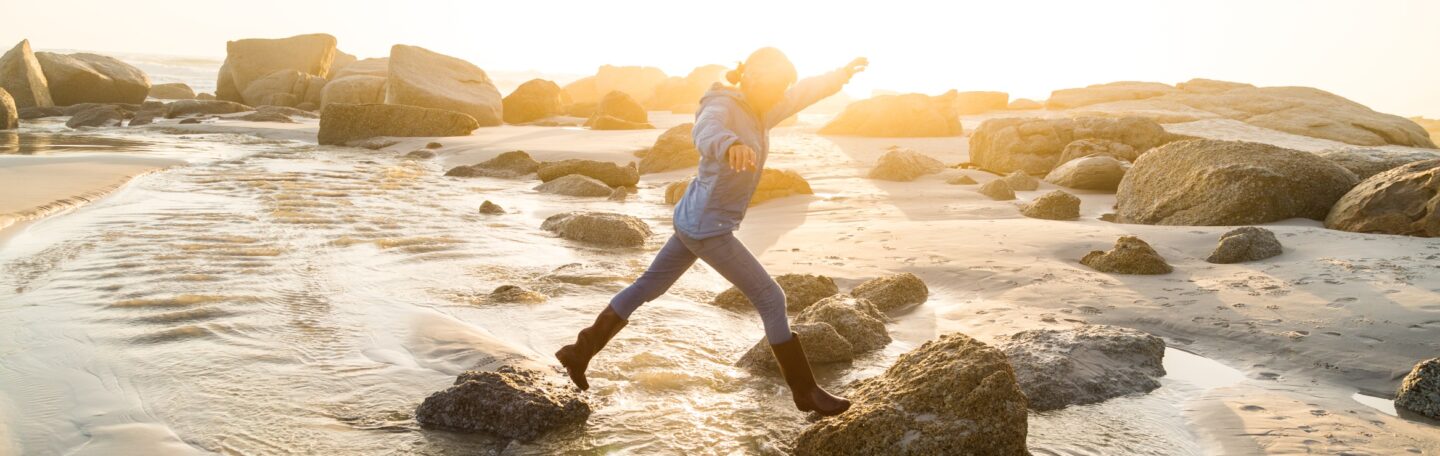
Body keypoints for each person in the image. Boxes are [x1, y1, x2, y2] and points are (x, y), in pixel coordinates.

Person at [556, 48, 867, 416]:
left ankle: (578, 352)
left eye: (784, 85)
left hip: (694, 220)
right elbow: (705, 130)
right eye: (775, 85)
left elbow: (803, 93)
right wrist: (730, 144)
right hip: (708, 228)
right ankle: (805, 391)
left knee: (647, 287)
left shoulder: (763, 107)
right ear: (752, 79)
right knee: (772, 299)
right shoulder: (723, 104)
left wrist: (841, 74)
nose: (781, 92)